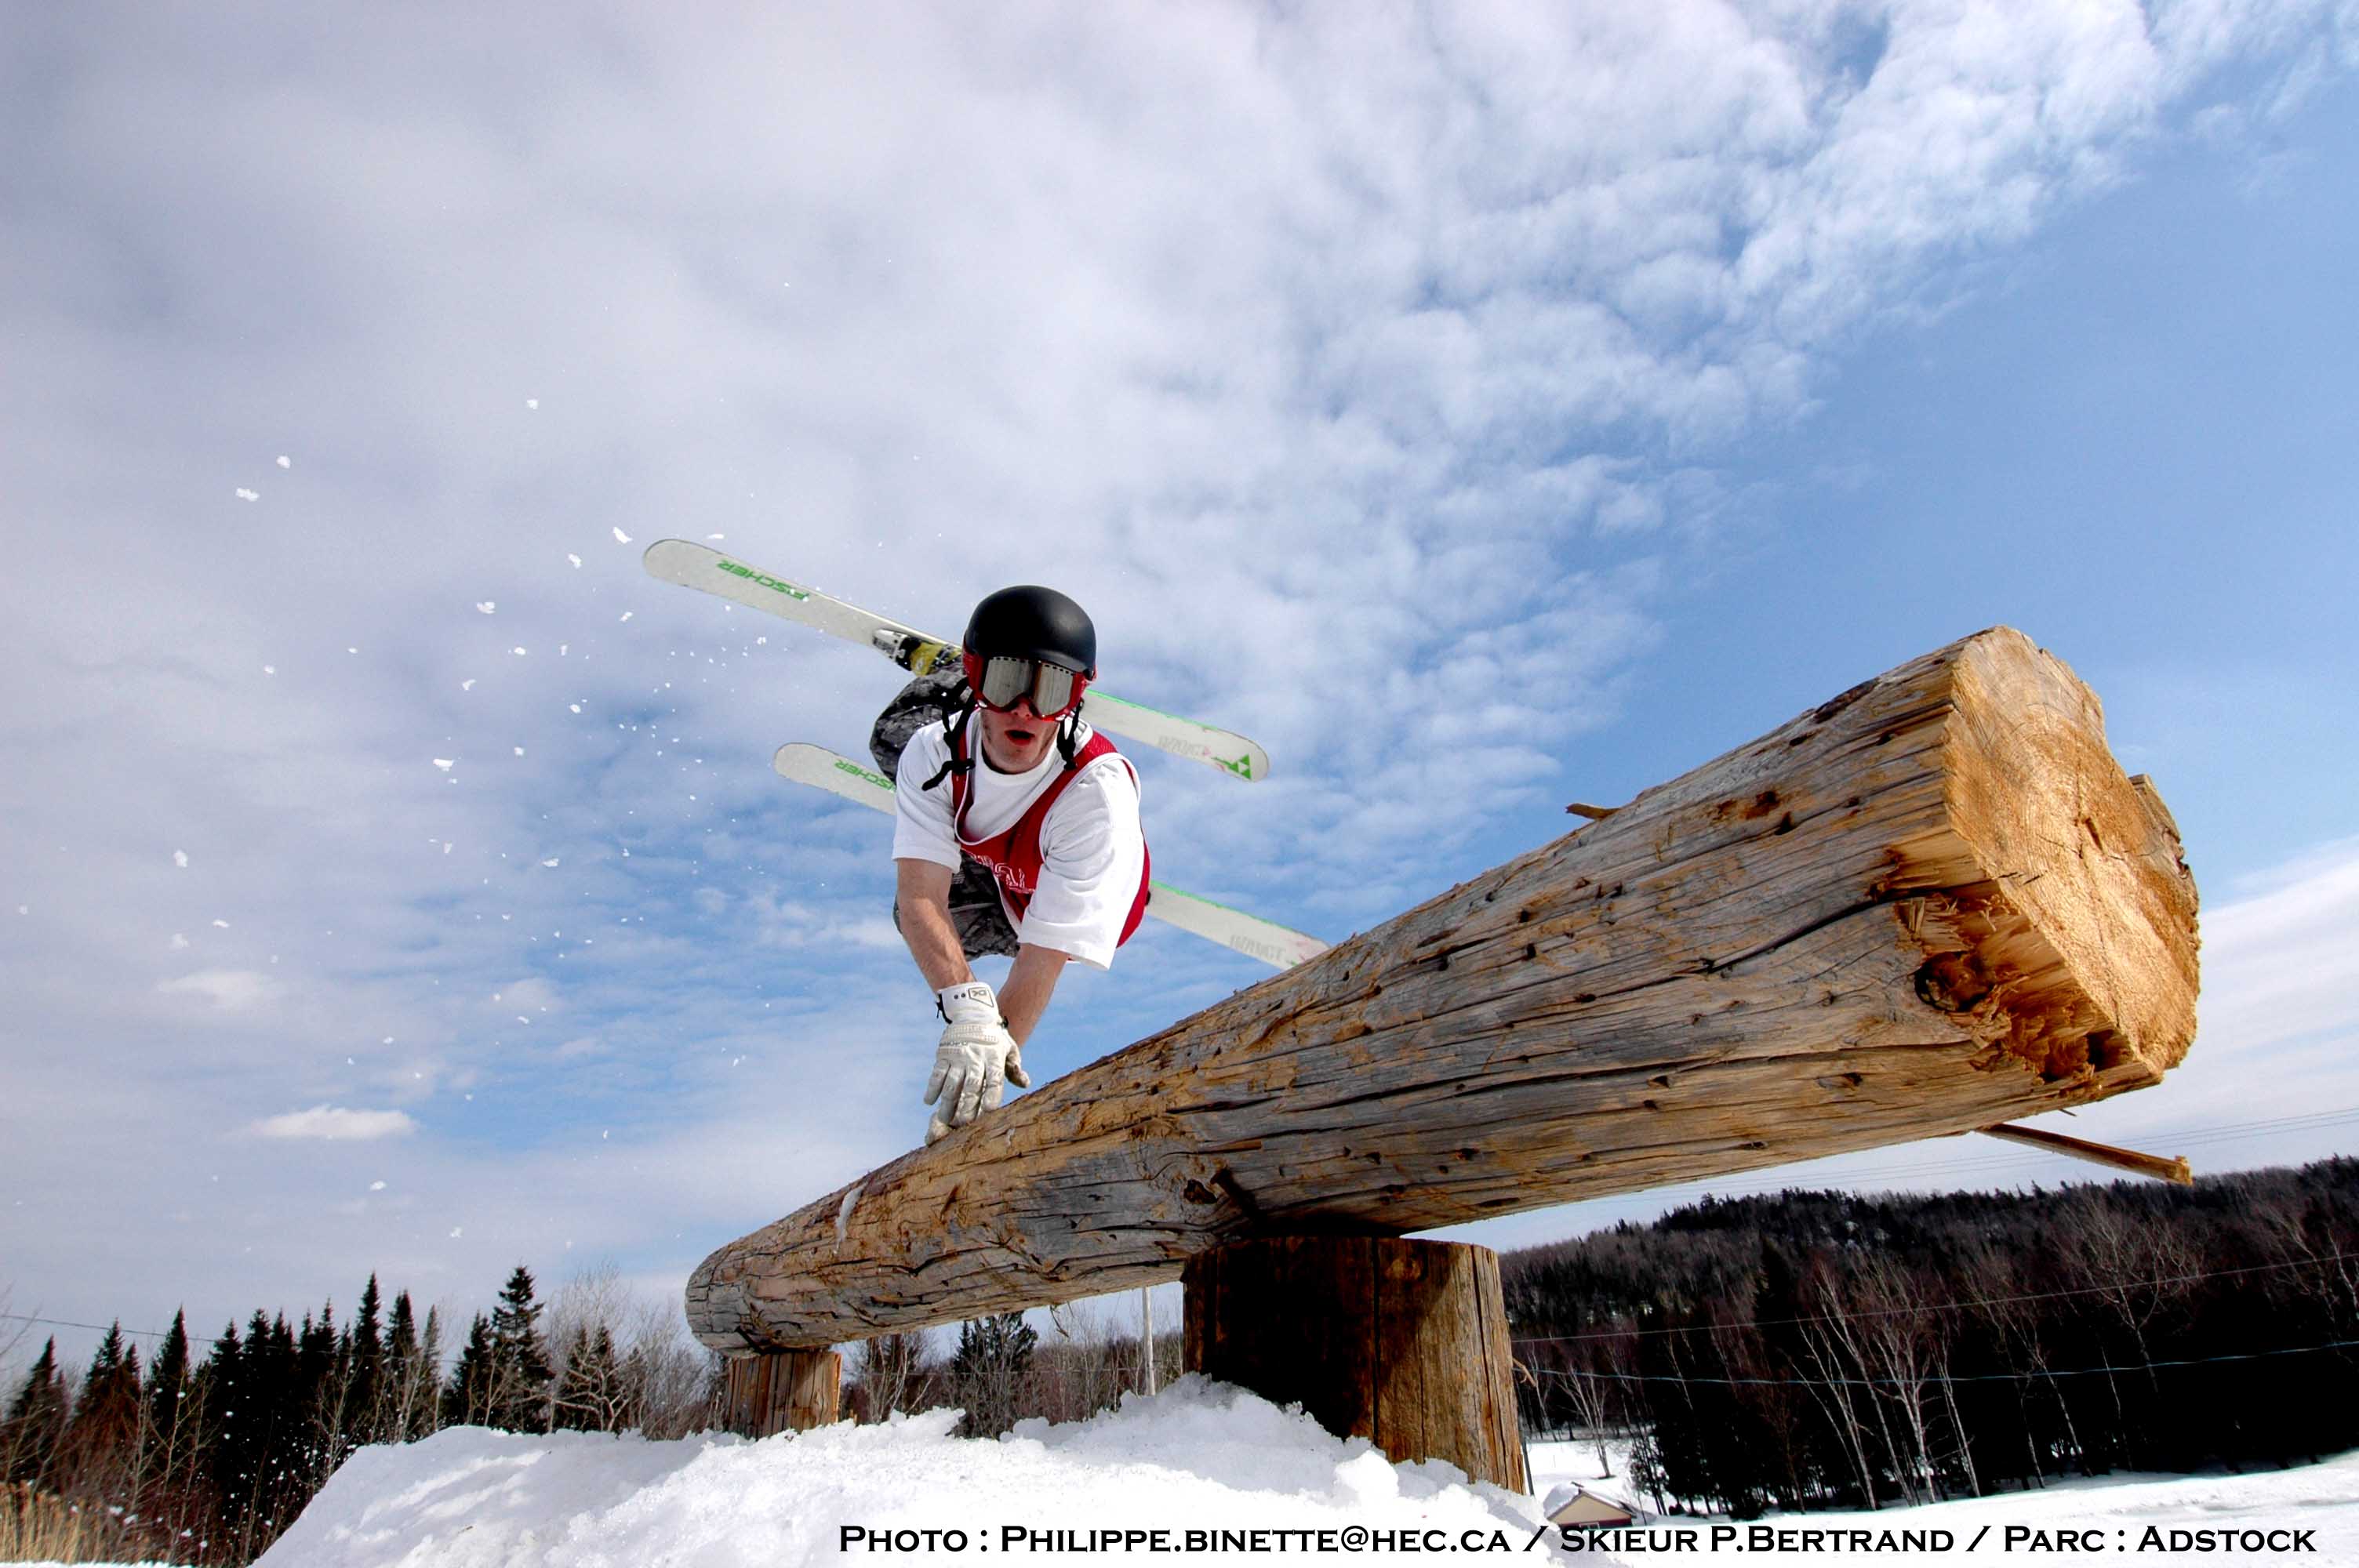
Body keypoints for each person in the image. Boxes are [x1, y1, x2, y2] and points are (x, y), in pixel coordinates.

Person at [870, 585, 1150, 1145]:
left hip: (1056, 904)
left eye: (1051, 692)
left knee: (913, 777)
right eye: (1005, 685)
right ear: (979, 678)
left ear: (1076, 698)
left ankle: (966, 690)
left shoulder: (1095, 796)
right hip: (1002, 877)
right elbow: (919, 895)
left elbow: (1039, 964)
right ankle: (947, 676)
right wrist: (966, 1008)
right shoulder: (933, 753)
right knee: (891, 743)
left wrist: (978, 1088)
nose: (1025, 710)